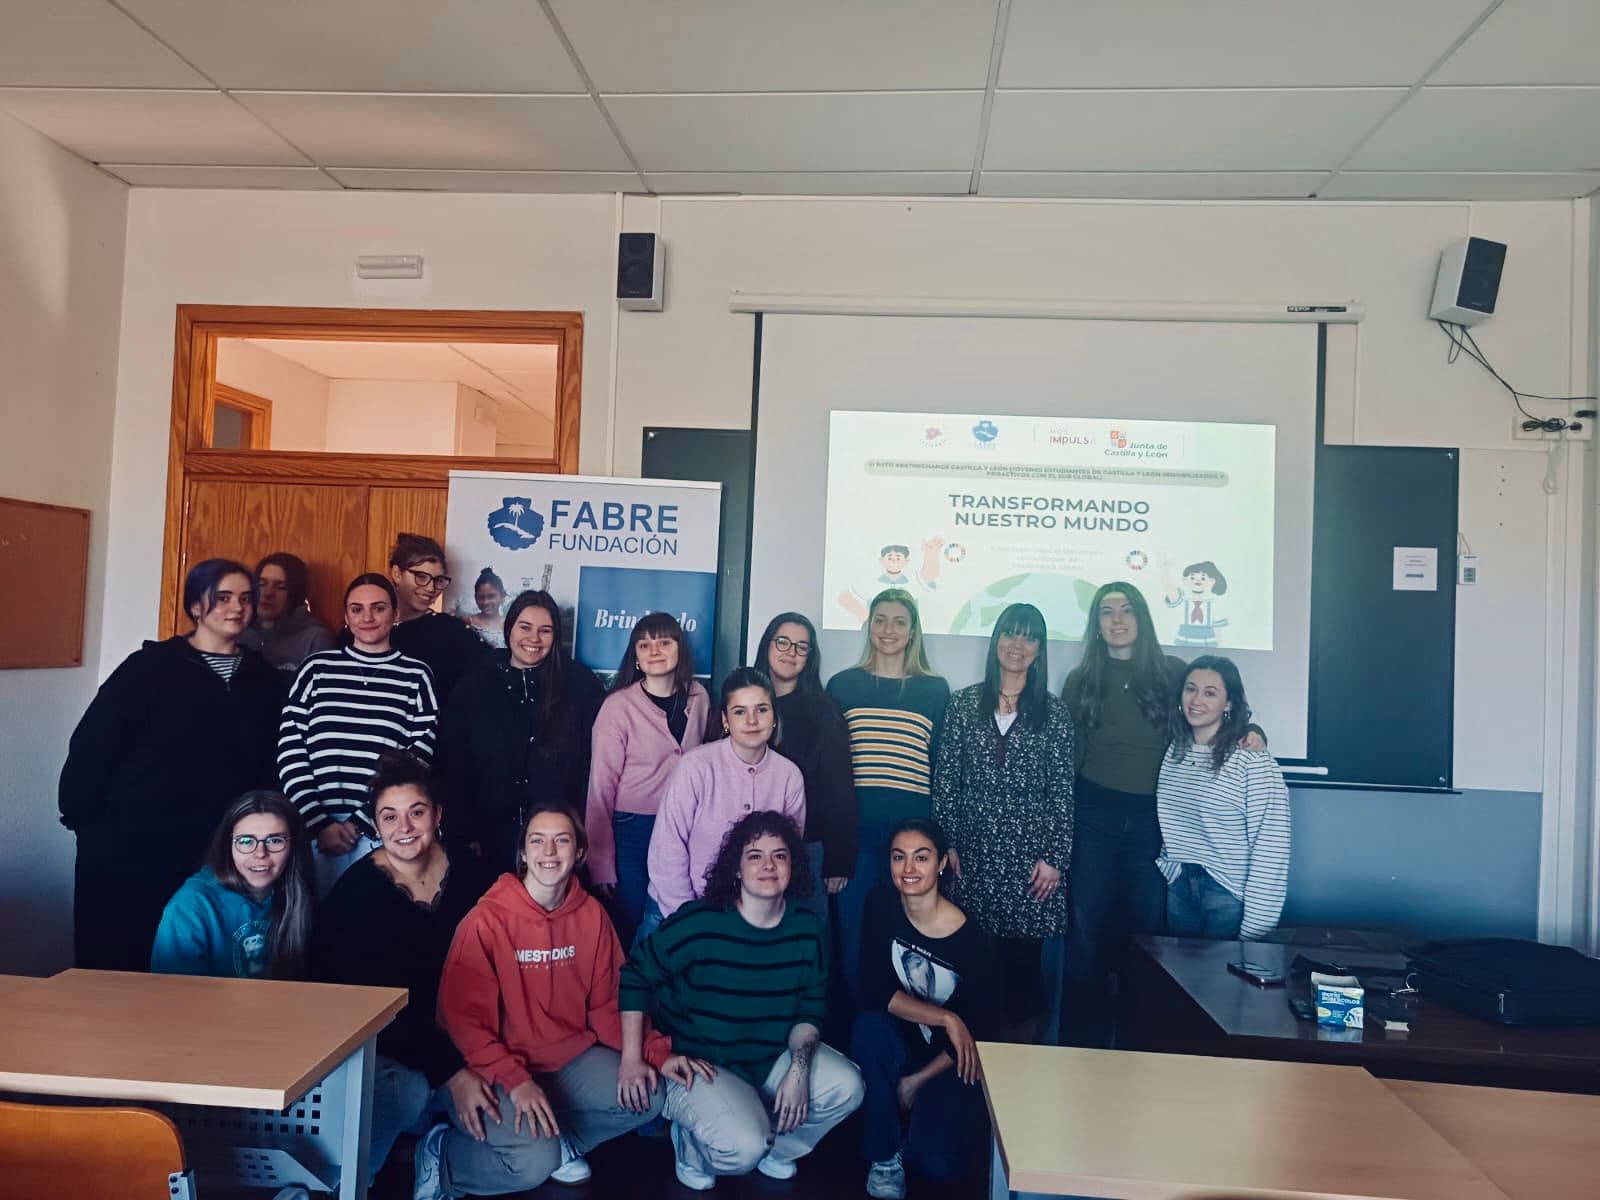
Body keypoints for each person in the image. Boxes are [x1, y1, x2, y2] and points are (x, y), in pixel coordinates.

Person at [416, 800, 669, 1199]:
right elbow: (463, 1022)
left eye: (561, 841)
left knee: (648, 1094)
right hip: (490, 1068)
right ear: (522, 852)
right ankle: (443, 1156)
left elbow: (608, 1006)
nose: (549, 852)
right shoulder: (488, 920)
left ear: (579, 852)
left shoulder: (592, 915)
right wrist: (516, 1081)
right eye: (537, 840)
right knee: (531, 1163)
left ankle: (560, 1145)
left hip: (566, 1060)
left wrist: (653, 1053)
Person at [1059, 581, 1263, 1046]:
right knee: (1086, 931)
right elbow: (1071, 755)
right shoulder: (1080, 680)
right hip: (1092, 814)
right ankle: (1079, 1050)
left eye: (1126, 610)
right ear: (1096, 623)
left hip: (1153, 821)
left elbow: (1213, 705)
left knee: (1148, 934)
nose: (1116, 620)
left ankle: (1142, 1044)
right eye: (1106, 611)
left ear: (1142, 618)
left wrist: (1254, 730)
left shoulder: (1172, 672)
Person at [59, 558, 286, 970]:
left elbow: (271, 766)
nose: (236, 607)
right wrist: (86, 823)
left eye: (245, 598)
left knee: (203, 966)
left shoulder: (266, 681)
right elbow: (92, 747)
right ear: (195, 605)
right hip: (135, 849)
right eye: (222, 597)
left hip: (216, 851)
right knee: (123, 968)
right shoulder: (148, 668)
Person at [619, 812, 864, 1192]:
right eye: (755, 856)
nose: (768, 866)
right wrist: (633, 1057)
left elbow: (810, 1009)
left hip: (769, 1059)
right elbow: (635, 975)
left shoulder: (806, 930)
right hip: (700, 1066)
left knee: (848, 1085)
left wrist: (798, 1073)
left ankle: (777, 1147)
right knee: (743, 1146)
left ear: (794, 865)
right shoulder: (701, 921)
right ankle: (692, 1147)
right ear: (736, 868)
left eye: (779, 855)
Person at [311, 752, 496, 1182]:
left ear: (438, 815)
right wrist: (451, 1072)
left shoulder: (471, 873)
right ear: (376, 827)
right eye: (389, 817)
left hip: (468, 1040)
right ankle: (345, 1186)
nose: (405, 827)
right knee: (407, 1092)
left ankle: (438, 1153)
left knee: (528, 1152)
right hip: (386, 1052)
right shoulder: (356, 896)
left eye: (417, 812)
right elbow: (369, 1015)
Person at [933, 603, 1075, 1038]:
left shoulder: (1055, 714)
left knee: (1023, 978)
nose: (1018, 645)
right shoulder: (962, 704)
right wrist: (947, 844)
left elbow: (1062, 791)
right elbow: (946, 781)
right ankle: (969, 1064)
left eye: (1029, 637)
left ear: (1040, 649)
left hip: (1030, 866)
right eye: (1010, 633)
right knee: (971, 970)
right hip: (971, 859)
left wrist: (1054, 858)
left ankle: (1020, 1065)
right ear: (996, 640)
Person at [853, 819, 1000, 1199]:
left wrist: (915, 1083)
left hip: (945, 1061)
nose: (908, 868)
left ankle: (909, 1114)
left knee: (937, 1166)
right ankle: (885, 1157)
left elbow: (978, 1029)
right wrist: (946, 1017)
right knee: (867, 1029)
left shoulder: (969, 937)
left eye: (921, 858)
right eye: (898, 857)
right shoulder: (880, 904)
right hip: (897, 1040)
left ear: (941, 863)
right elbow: (874, 990)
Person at [826, 588, 950, 1011]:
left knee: (907, 941)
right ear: (869, 626)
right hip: (857, 835)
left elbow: (940, 767)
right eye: (880, 619)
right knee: (854, 937)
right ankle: (858, 1031)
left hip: (911, 840)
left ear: (913, 631)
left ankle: (901, 1032)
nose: (888, 629)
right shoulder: (843, 685)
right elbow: (832, 771)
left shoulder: (934, 690)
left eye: (899, 621)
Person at [278, 573, 439, 894]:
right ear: (346, 616)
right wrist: (319, 822)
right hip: (313, 831)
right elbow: (290, 749)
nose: (367, 617)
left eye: (378, 608)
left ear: (395, 614)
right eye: (357, 609)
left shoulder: (416, 675)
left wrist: (361, 822)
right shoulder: (316, 669)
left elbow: (418, 758)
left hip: (381, 832)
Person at [437, 590, 605, 874]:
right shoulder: (474, 686)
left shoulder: (581, 686)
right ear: (509, 628)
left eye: (545, 630)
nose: (534, 638)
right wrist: (463, 832)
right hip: (488, 840)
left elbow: (592, 768)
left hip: (556, 842)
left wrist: (579, 831)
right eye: (525, 627)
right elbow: (454, 765)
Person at [643, 667, 805, 936]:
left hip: (750, 916)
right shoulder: (695, 766)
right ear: (725, 720)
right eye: (740, 711)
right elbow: (667, 847)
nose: (752, 720)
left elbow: (788, 854)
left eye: (762, 709)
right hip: (677, 906)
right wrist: (690, 918)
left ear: (774, 717)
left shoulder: (789, 776)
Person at [584, 613, 711, 944]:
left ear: (680, 649)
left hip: (687, 825)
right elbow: (600, 789)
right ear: (636, 657)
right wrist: (601, 862)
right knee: (636, 926)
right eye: (644, 645)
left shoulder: (699, 697)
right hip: (634, 829)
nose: (654, 651)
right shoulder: (617, 707)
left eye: (664, 642)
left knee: (678, 924)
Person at [1156, 657, 1290, 940]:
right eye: (1190, 689)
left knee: (1223, 971)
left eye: (1210, 693)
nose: (1196, 700)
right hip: (1180, 885)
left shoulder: (1252, 761)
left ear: (1228, 704)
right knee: (1174, 970)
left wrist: (1255, 929)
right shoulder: (1176, 751)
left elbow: (1271, 847)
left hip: (1227, 893)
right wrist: (1173, 871)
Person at [755, 612, 856, 922]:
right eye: (783, 642)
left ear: (810, 657)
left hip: (807, 847)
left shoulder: (824, 710)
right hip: (747, 845)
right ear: (767, 644)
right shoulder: (743, 701)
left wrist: (837, 859)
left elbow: (838, 789)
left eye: (801, 647)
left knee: (806, 936)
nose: (791, 652)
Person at [151, 790, 314, 979]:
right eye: (245, 841)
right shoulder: (190, 905)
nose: (260, 853)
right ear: (228, 846)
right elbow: (174, 992)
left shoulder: (296, 892)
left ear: (293, 847)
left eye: (275, 840)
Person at [383, 532, 493, 705]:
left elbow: (492, 670)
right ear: (397, 574)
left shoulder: (450, 630)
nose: (431, 588)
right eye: (421, 577)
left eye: (438, 580)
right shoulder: (370, 626)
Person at [239, 551, 335, 673]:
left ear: (296, 593)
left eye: (280, 587)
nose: (268, 593)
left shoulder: (315, 638)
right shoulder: (241, 630)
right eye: (262, 584)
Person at [463, 567, 508, 648]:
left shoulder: (509, 625)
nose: (486, 602)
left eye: (491, 596)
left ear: (502, 596)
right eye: (481, 597)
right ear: (475, 598)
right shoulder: (468, 622)